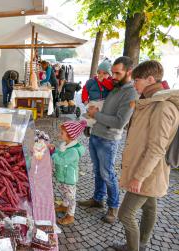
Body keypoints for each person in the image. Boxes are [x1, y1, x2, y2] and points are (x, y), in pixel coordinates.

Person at [112, 61, 179, 251]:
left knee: (125, 214)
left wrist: (139, 177)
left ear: (151, 79)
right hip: (149, 169)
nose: (135, 85)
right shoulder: (152, 102)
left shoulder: (162, 107)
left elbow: (157, 148)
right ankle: (141, 243)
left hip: (146, 171)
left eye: (138, 80)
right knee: (150, 207)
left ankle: (134, 248)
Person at [78, 56, 138, 224]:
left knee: (107, 173)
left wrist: (95, 114)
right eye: (113, 73)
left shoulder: (130, 92)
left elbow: (120, 122)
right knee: (98, 171)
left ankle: (113, 207)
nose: (113, 76)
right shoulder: (116, 86)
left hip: (109, 139)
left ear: (129, 72)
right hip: (96, 134)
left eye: (118, 73)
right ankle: (98, 199)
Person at [52, 120, 86, 225]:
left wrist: (53, 154)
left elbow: (61, 161)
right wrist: (54, 149)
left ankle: (70, 215)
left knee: (71, 197)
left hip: (69, 178)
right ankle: (64, 205)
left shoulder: (73, 151)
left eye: (62, 133)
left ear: (70, 135)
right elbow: (60, 153)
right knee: (63, 192)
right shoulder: (65, 145)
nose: (59, 134)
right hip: (63, 176)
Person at [81, 60, 114, 136]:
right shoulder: (92, 81)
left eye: (104, 73)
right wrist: (85, 99)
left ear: (109, 74)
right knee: (92, 111)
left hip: (104, 101)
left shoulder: (110, 81)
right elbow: (85, 89)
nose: (101, 75)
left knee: (104, 111)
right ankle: (88, 126)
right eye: (99, 73)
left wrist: (103, 81)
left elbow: (111, 87)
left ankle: (103, 125)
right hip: (93, 101)